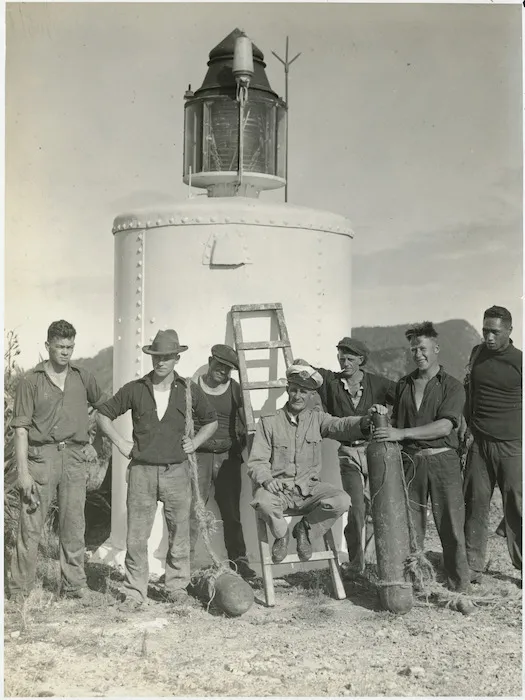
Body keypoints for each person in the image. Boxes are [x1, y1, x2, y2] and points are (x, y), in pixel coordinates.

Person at [96, 329, 218, 610]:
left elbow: (211, 421)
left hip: (177, 472)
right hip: (142, 472)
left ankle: (176, 587)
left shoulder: (188, 390)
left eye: (167, 357)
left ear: (177, 358)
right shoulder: (135, 389)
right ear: (151, 357)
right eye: (156, 357)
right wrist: (120, 442)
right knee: (137, 535)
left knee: (180, 532)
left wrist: (195, 442)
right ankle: (135, 592)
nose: (161, 362)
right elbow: (103, 415)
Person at [247, 364, 387, 563]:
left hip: (310, 490)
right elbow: (257, 462)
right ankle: (282, 535)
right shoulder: (269, 422)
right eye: (294, 390)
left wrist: (366, 420)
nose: (297, 396)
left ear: (311, 395)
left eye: (303, 392)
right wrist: (268, 480)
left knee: (342, 500)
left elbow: (341, 425)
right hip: (280, 491)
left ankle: (304, 529)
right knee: (262, 501)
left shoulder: (318, 419)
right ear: (287, 390)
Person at [373, 322, 472, 601]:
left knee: (451, 525)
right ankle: (413, 586)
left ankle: (459, 587)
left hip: (444, 462)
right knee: (410, 526)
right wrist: (382, 411)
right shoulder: (403, 384)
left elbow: (444, 427)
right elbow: (393, 418)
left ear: (436, 349)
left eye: (423, 348)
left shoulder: (452, 386)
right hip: (411, 462)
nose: (418, 354)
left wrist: (401, 432)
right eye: (414, 349)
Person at [10, 320, 107, 601]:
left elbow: (104, 408)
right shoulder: (31, 380)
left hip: (75, 458)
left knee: (74, 524)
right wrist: (24, 474)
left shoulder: (82, 377)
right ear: (48, 346)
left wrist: (96, 444)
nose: (65, 352)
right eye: (60, 347)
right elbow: (21, 430)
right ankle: (20, 591)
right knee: (30, 526)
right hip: (41, 459)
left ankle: (74, 586)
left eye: (70, 347)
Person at [296, 337, 396, 572]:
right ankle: (356, 563)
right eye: (341, 358)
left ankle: (376, 561)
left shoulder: (378, 384)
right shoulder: (330, 381)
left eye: (350, 359)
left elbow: (406, 399)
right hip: (348, 452)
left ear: (361, 360)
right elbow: (305, 368)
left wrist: (390, 422)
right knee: (356, 507)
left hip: (375, 450)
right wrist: (302, 366)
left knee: (377, 505)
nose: (345, 363)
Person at [462, 306, 522, 583]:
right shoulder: (477, 354)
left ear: (510, 331)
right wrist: (467, 427)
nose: (488, 336)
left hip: (512, 446)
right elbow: (469, 392)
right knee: (474, 503)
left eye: (495, 332)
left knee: (516, 507)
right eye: (485, 330)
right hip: (479, 442)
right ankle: (472, 566)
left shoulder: (519, 361)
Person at [190, 344, 256, 580]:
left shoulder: (235, 389)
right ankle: (183, 563)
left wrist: (239, 451)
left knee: (231, 512)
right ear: (210, 361)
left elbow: (245, 421)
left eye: (229, 369)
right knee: (193, 511)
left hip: (227, 458)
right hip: (200, 457)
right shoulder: (192, 387)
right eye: (220, 366)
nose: (224, 372)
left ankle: (239, 561)